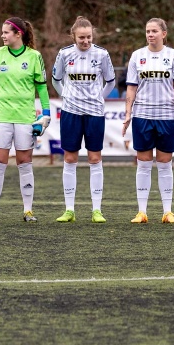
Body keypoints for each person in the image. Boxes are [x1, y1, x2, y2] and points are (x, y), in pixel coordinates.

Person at [0, 17, 52, 223]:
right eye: (2, 32)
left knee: (25, 163)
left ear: (18, 34)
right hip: (1, 117)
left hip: (25, 119)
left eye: (6, 32)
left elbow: (41, 87)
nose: (2, 35)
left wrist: (45, 113)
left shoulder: (35, 56)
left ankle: (28, 211)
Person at [51, 16, 116, 224]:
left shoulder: (102, 54)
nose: (85, 41)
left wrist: (99, 98)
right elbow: (56, 79)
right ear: (74, 36)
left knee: (95, 158)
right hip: (71, 112)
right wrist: (65, 96)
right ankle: (69, 209)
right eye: (81, 38)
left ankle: (96, 210)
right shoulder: (64, 54)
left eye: (88, 37)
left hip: (94, 113)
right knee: (70, 158)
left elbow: (111, 81)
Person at [122, 18, 174, 224]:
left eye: (154, 31)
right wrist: (128, 112)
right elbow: (131, 87)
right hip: (143, 116)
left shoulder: (173, 55)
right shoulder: (137, 56)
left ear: (164, 34)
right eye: (148, 31)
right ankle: (142, 212)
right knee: (144, 163)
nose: (150, 34)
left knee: (165, 163)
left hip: (166, 116)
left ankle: (167, 211)